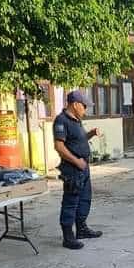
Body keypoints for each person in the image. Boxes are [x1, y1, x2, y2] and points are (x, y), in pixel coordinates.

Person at [53, 91, 103, 250]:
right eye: (84, 106)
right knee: (71, 201)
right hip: (72, 169)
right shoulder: (61, 121)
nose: (85, 109)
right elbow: (59, 147)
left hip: (83, 167)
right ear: (75, 104)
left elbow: (77, 140)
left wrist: (90, 134)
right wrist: (77, 162)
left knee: (84, 199)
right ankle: (68, 237)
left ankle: (81, 229)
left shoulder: (77, 121)